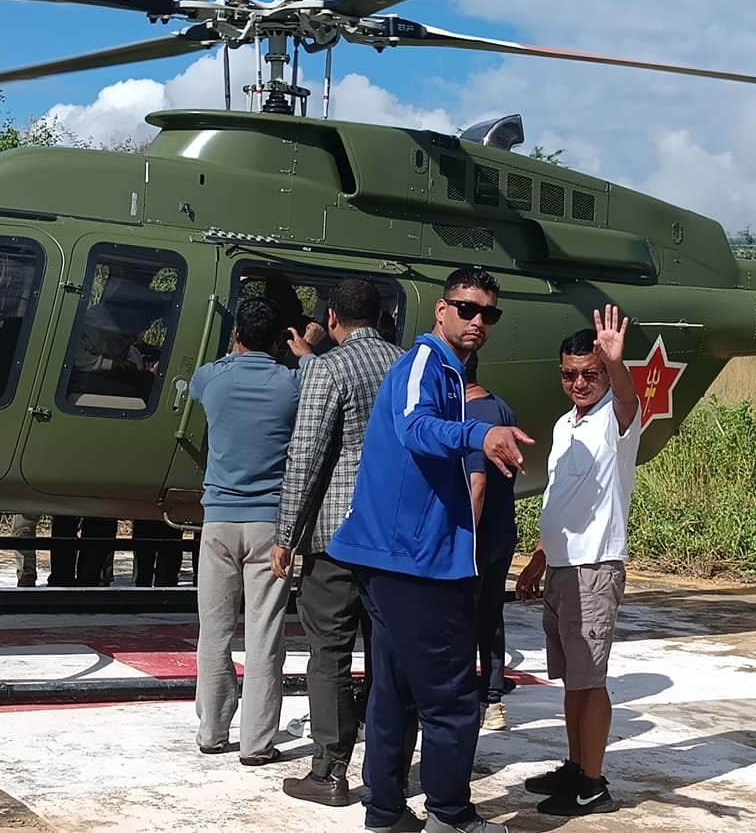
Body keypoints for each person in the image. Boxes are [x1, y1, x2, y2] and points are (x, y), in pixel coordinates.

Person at [326, 267, 536, 833]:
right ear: (441, 310)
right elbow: (416, 427)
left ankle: (385, 811)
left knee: (394, 693)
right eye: (467, 308)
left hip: (391, 559)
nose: (478, 320)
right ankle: (451, 814)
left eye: (489, 313)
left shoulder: (446, 371)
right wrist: (478, 435)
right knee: (453, 698)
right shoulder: (427, 362)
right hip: (416, 563)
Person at [270, 279, 404, 808]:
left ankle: (329, 770)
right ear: (381, 315)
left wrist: (287, 535)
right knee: (387, 654)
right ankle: (388, 770)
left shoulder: (328, 368)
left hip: (336, 536)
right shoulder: (407, 365)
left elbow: (306, 454)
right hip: (392, 534)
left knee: (329, 652)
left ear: (331, 318)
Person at [513, 307, 640, 817]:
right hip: (563, 568)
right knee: (572, 678)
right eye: (569, 374)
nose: (579, 383)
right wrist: (539, 558)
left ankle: (593, 783)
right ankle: (575, 765)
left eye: (590, 373)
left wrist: (618, 362)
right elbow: (560, 499)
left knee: (591, 679)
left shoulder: (615, 418)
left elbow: (629, 399)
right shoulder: (566, 425)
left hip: (594, 567)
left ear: (604, 372)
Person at [188, 297, 313, 765]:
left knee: (214, 630)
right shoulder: (291, 382)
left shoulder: (212, 378)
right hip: (270, 524)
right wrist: (305, 351)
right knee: (264, 634)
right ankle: (257, 742)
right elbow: (317, 381)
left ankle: (212, 730)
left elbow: (202, 379)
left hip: (219, 520)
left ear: (237, 334)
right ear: (281, 339)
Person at [462, 352, 521, 732]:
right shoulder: (502, 407)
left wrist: (464, 537)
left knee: (461, 615)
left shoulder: (469, 416)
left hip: (478, 534)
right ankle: (494, 698)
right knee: (491, 614)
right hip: (503, 530)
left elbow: (477, 483)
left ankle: (465, 696)